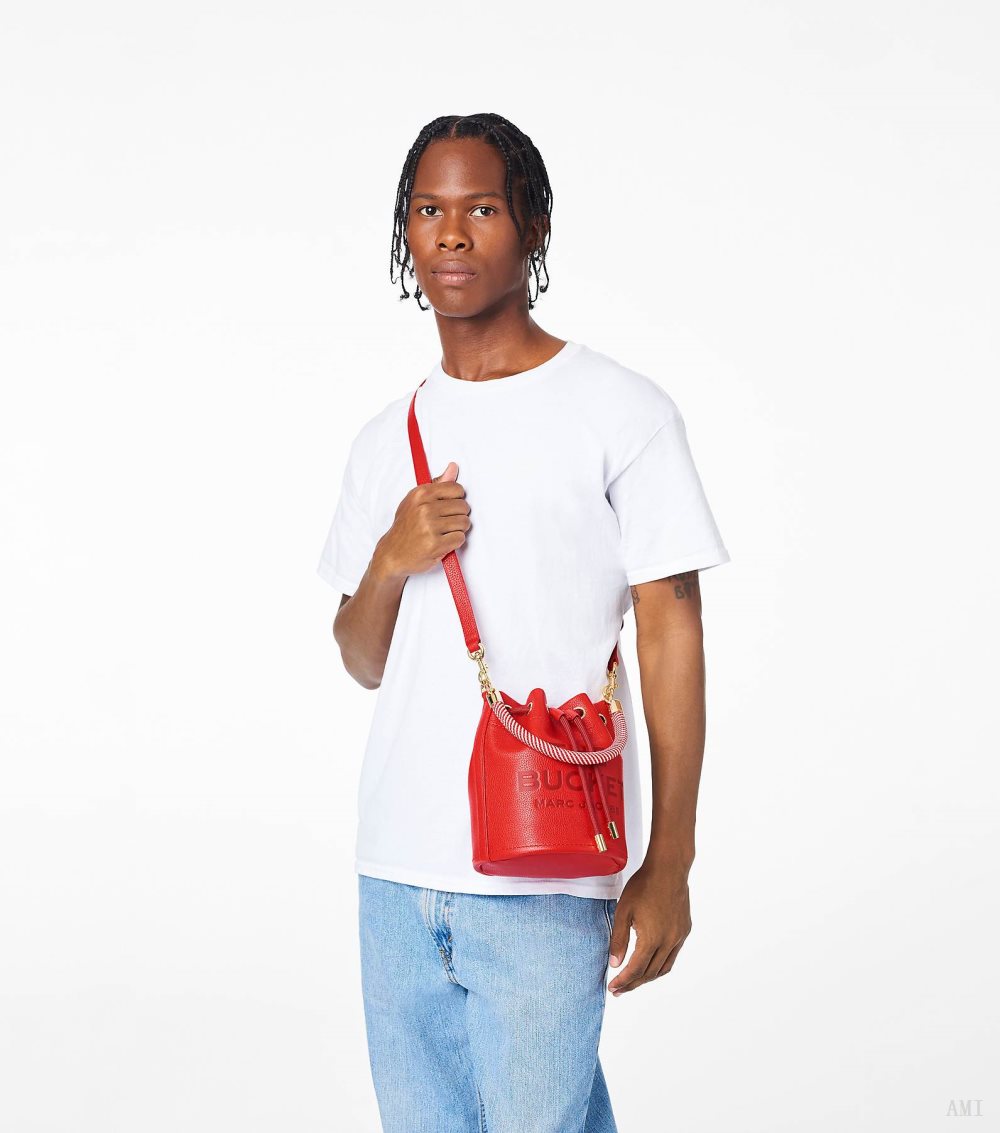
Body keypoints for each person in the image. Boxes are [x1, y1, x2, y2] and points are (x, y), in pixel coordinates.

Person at [317, 112, 731, 1133]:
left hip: (544, 864)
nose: (451, 234)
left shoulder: (620, 411)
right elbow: (361, 657)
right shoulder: (386, 438)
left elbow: (671, 634)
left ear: (533, 226)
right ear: (406, 233)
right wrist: (391, 557)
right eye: (428, 210)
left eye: (482, 209)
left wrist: (670, 858)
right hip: (396, 870)